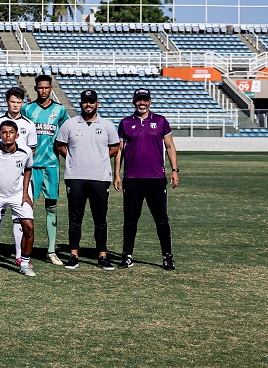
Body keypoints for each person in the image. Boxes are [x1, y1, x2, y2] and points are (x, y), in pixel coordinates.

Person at [113, 88, 179, 271]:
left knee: (161, 219)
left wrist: (174, 170)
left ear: (150, 101)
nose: (142, 103)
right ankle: (127, 256)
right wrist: (117, 174)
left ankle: (167, 257)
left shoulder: (160, 121)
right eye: (139, 100)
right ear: (134, 102)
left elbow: (170, 146)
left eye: (145, 100)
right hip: (132, 179)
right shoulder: (125, 123)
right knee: (130, 219)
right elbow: (119, 150)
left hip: (156, 179)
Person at [54, 89, 121, 271]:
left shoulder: (107, 125)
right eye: (85, 101)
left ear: (97, 104)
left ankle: (102, 256)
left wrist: (97, 158)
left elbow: (114, 149)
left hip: (99, 178)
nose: (88, 105)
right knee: (75, 218)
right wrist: (74, 157)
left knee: (100, 219)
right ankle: (73, 255)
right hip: (75, 178)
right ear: (80, 103)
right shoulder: (70, 124)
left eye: (92, 102)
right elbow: (60, 146)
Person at [22, 74, 70, 265]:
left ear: (51, 88)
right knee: (27, 208)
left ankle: (51, 250)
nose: (43, 90)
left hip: (51, 165)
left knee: (51, 207)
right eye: (40, 87)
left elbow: (66, 134)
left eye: (46, 87)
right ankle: (25, 249)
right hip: (31, 166)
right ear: (35, 89)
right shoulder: (27, 109)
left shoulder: (59, 110)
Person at [0, 120, 36, 277]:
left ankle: (24, 264)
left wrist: (25, 194)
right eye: (4, 132)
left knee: (29, 227)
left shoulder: (25, 151)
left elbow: (27, 170)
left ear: (17, 135)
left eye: (11, 132)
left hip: (18, 194)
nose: (7, 135)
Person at [0, 86, 37, 267]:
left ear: (23, 103)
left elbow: (31, 152)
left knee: (19, 217)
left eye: (19, 102)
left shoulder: (29, 125)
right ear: (7, 102)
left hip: (20, 179)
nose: (15, 105)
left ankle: (19, 254)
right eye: (12, 102)